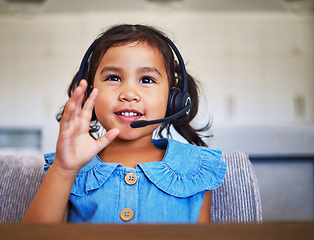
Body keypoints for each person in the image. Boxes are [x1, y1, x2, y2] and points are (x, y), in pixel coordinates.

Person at [22, 24, 227, 224]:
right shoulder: (72, 165)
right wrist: (63, 169)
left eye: (147, 80)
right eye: (113, 77)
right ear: (88, 94)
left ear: (172, 97)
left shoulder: (194, 167)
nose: (129, 94)